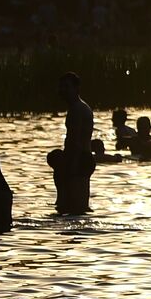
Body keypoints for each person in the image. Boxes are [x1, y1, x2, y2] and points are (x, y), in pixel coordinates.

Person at [57, 72, 96, 215]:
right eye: (61, 87)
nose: (63, 91)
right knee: (73, 208)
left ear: (76, 88)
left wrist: (71, 165)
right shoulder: (77, 108)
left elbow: (76, 140)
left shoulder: (77, 109)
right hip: (80, 159)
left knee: (76, 209)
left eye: (67, 87)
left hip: (79, 159)